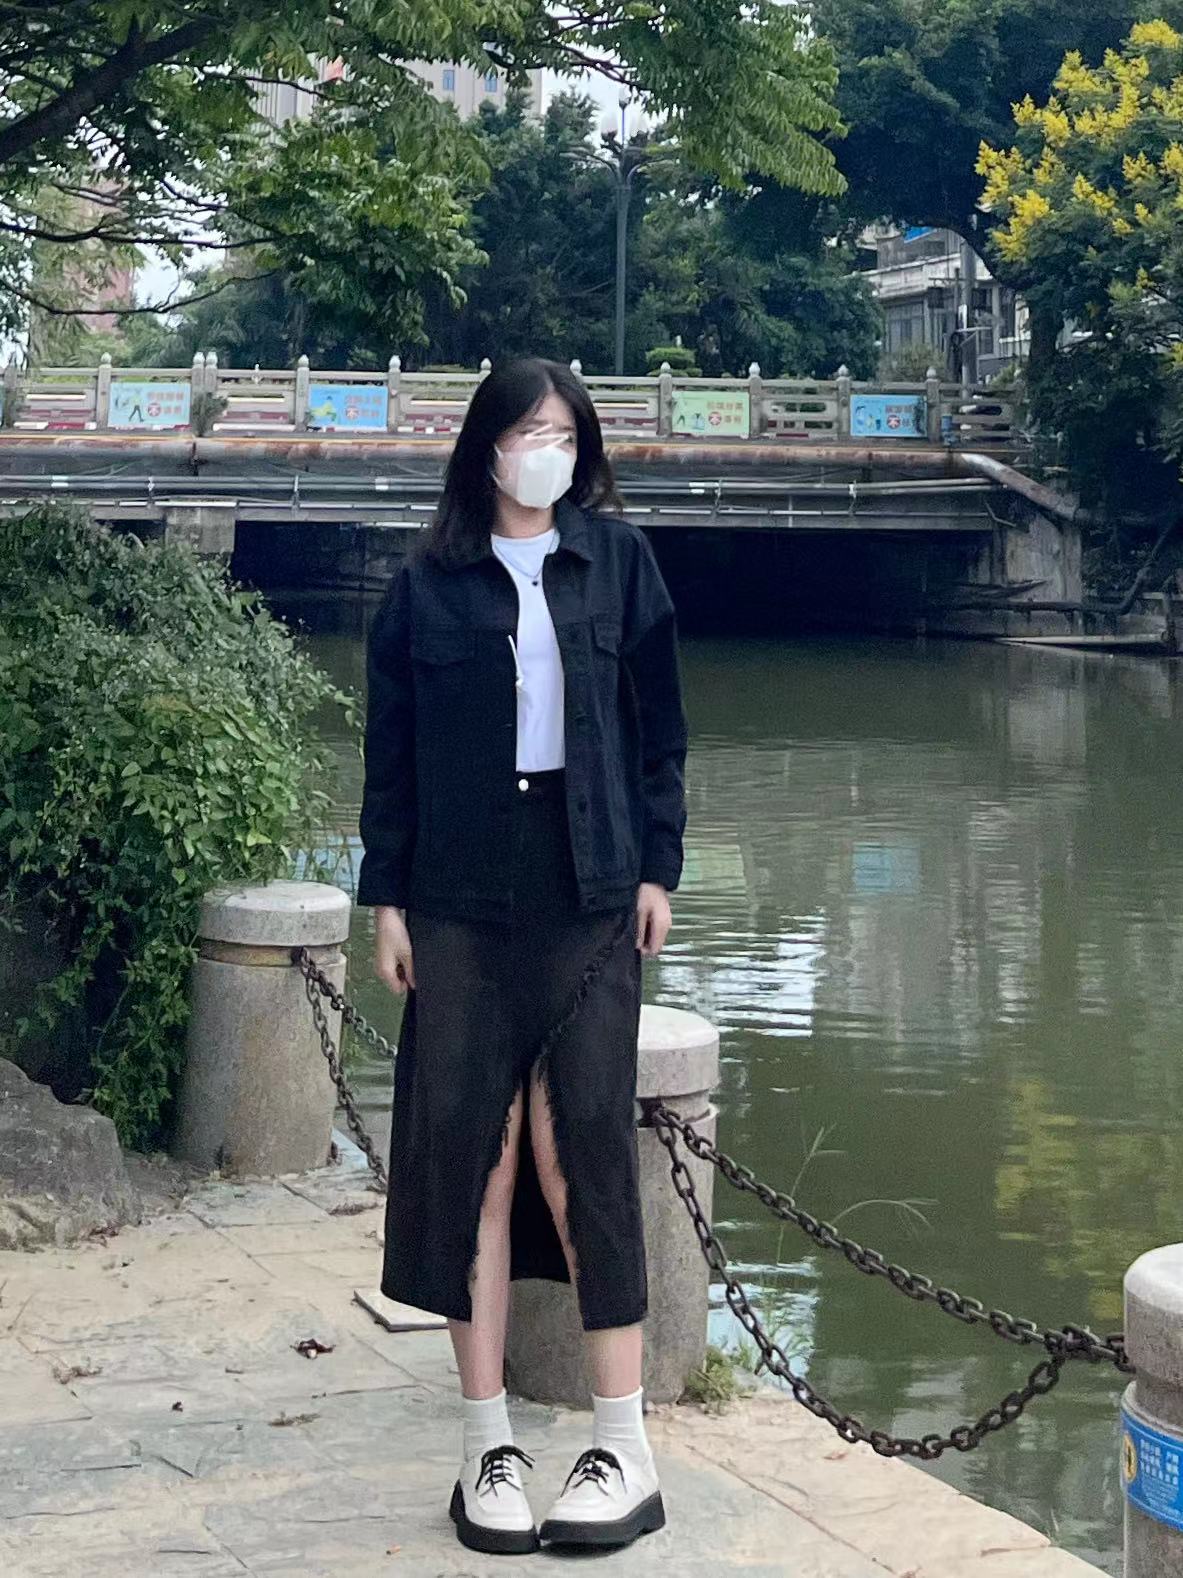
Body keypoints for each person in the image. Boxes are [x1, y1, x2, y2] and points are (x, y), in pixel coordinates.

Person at [355, 357, 689, 1556]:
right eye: (527, 430)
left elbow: (661, 736)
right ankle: (485, 1443)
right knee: (473, 1161)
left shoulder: (621, 564)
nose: (546, 450)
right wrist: (385, 899)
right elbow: (389, 757)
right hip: (457, 898)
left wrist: (656, 870)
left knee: (580, 1147)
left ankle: (622, 1445)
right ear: (485, 447)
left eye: (564, 432)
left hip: (589, 886)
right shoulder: (425, 588)